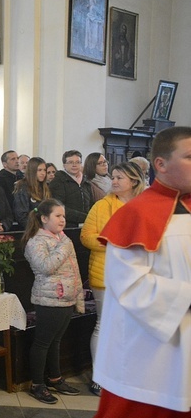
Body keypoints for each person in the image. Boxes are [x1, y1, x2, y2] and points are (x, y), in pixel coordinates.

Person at [65, 126, 191, 418]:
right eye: (190, 156)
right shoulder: (137, 214)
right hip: (152, 351)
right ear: (161, 164)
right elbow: (131, 285)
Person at [79, 161, 144, 397]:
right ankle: (99, 376)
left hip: (136, 274)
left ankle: (124, 373)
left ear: (134, 181)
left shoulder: (143, 206)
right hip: (105, 272)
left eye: (120, 178)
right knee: (104, 325)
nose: (114, 181)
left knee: (131, 327)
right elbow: (86, 237)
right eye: (113, 177)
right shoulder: (101, 206)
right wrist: (115, 242)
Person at [22, 198, 84, 404]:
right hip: (48, 299)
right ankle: (37, 384)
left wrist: (77, 295)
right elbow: (46, 267)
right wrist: (65, 245)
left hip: (65, 296)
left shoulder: (60, 238)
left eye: (64, 216)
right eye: (58, 216)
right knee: (42, 342)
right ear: (44, 218)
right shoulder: (36, 242)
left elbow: (73, 269)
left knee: (56, 341)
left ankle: (55, 377)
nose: (62, 220)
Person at [49, 150, 93, 227]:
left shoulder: (86, 181)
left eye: (77, 162)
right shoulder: (58, 181)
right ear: (64, 165)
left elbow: (91, 203)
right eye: (70, 162)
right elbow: (59, 207)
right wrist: (84, 217)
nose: (74, 165)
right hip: (67, 225)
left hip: (87, 224)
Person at [12, 157, 50, 226]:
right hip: (32, 229)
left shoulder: (46, 187)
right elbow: (22, 216)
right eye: (39, 170)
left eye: (44, 170)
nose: (43, 173)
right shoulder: (22, 187)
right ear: (32, 171)